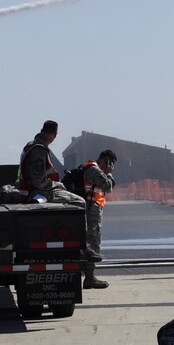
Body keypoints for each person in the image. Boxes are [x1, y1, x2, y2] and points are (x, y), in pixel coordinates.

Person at [75, 149, 118, 289]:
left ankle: (88, 276)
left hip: (93, 209)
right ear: (105, 160)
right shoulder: (94, 170)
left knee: (90, 243)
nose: (111, 166)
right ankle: (89, 277)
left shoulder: (93, 169)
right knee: (92, 244)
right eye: (110, 163)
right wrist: (110, 173)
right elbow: (108, 186)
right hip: (92, 211)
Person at [17, 120, 85, 207]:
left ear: (41, 131)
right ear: (55, 135)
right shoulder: (39, 150)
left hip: (28, 190)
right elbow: (39, 182)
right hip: (37, 192)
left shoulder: (30, 145)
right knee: (80, 202)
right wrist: (57, 184)